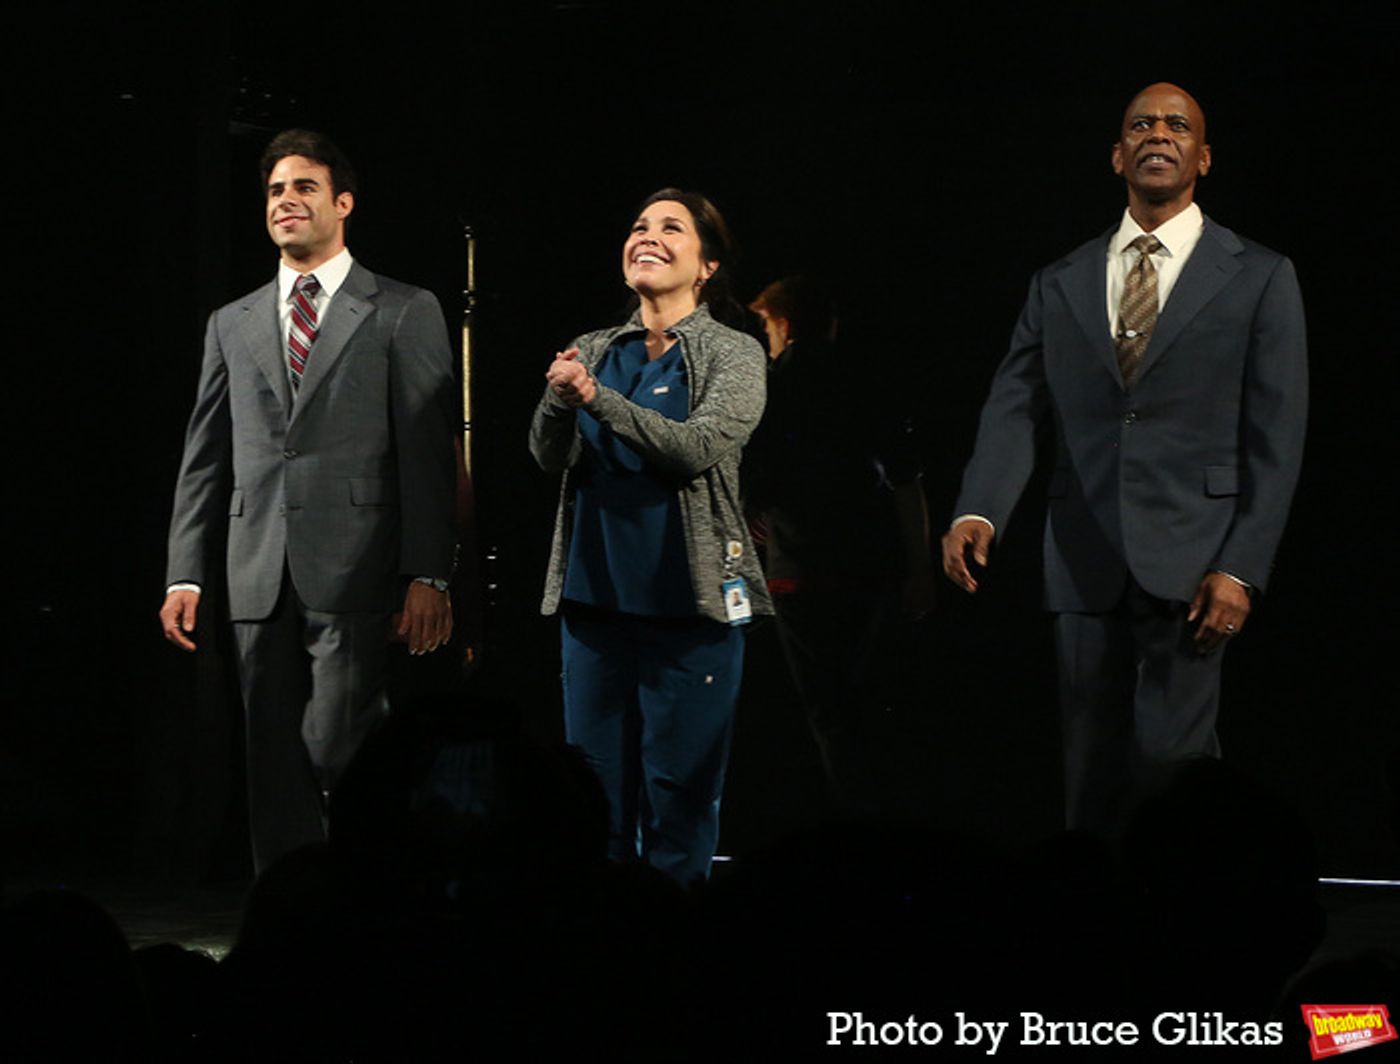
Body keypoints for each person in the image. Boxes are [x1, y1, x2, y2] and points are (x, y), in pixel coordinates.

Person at [941, 84, 1307, 836]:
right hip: (1082, 555)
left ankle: (1182, 930)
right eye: (1141, 124)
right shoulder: (1062, 279)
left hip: (1195, 559)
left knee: (1175, 772)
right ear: (1118, 155)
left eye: (1178, 125)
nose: (1159, 134)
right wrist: (979, 507)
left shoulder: (1261, 276)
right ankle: (1092, 931)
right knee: (1088, 771)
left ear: (1202, 157)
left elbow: (1278, 436)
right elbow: (1015, 405)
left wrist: (1242, 566)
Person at [160, 130, 457, 874]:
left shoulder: (400, 308)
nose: (286, 201)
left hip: (356, 562)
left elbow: (427, 455)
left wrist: (429, 571)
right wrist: (185, 571)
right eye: (274, 191)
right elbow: (206, 454)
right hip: (256, 563)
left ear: (343, 203)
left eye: (304, 188)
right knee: (271, 761)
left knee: (341, 743)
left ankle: (370, 894)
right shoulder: (232, 321)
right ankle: (290, 919)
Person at [529, 188, 771, 885]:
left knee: (680, 792)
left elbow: (695, 447)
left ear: (707, 265)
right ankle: (602, 937)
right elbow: (547, 455)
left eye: (671, 228)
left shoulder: (735, 351)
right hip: (595, 600)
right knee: (594, 792)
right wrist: (558, 395)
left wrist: (596, 399)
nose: (648, 236)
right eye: (638, 225)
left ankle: (674, 945)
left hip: (690, 606)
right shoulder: (599, 347)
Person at [743, 276, 933, 813]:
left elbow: (756, 477)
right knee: (866, 707)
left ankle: (846, 830)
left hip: (798, 569)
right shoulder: (869, 382)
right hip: (870, 569)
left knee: (823, 714)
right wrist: (918, 568)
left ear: (782, 322)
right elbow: (906, 480)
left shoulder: (773, 385)